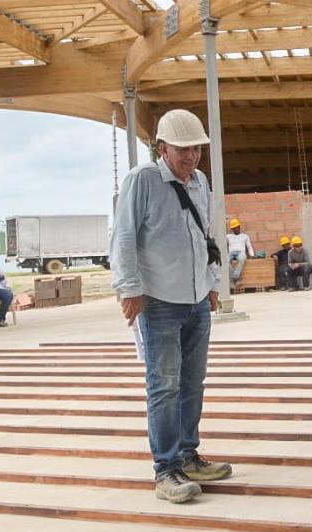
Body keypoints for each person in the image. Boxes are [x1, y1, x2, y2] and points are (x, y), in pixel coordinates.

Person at [111, 108, 231, 504]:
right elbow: (124, 237)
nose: (191, 157)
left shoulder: (200, 181)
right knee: (163, 386)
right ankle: (165, 470)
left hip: (196, 300)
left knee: (192, 382)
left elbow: (206, 235)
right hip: (158, 301)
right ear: (162, 148)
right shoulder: (142, 181)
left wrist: (212, 284)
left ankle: (188, 455)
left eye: (196, 150)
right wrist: (129, 289)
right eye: (183, 150)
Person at [226, 219, 254, 286]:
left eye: (236, 227)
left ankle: (234, 277)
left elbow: (249, 247)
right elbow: (221, 243)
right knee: (225, 261)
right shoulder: (228, 236)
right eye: (233, 228)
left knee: (242, 259)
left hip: (240, 253)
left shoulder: (245, 236)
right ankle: (236, 279)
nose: (235, 229)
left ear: (239, 227)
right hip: (231, 253)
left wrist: (252, 255)